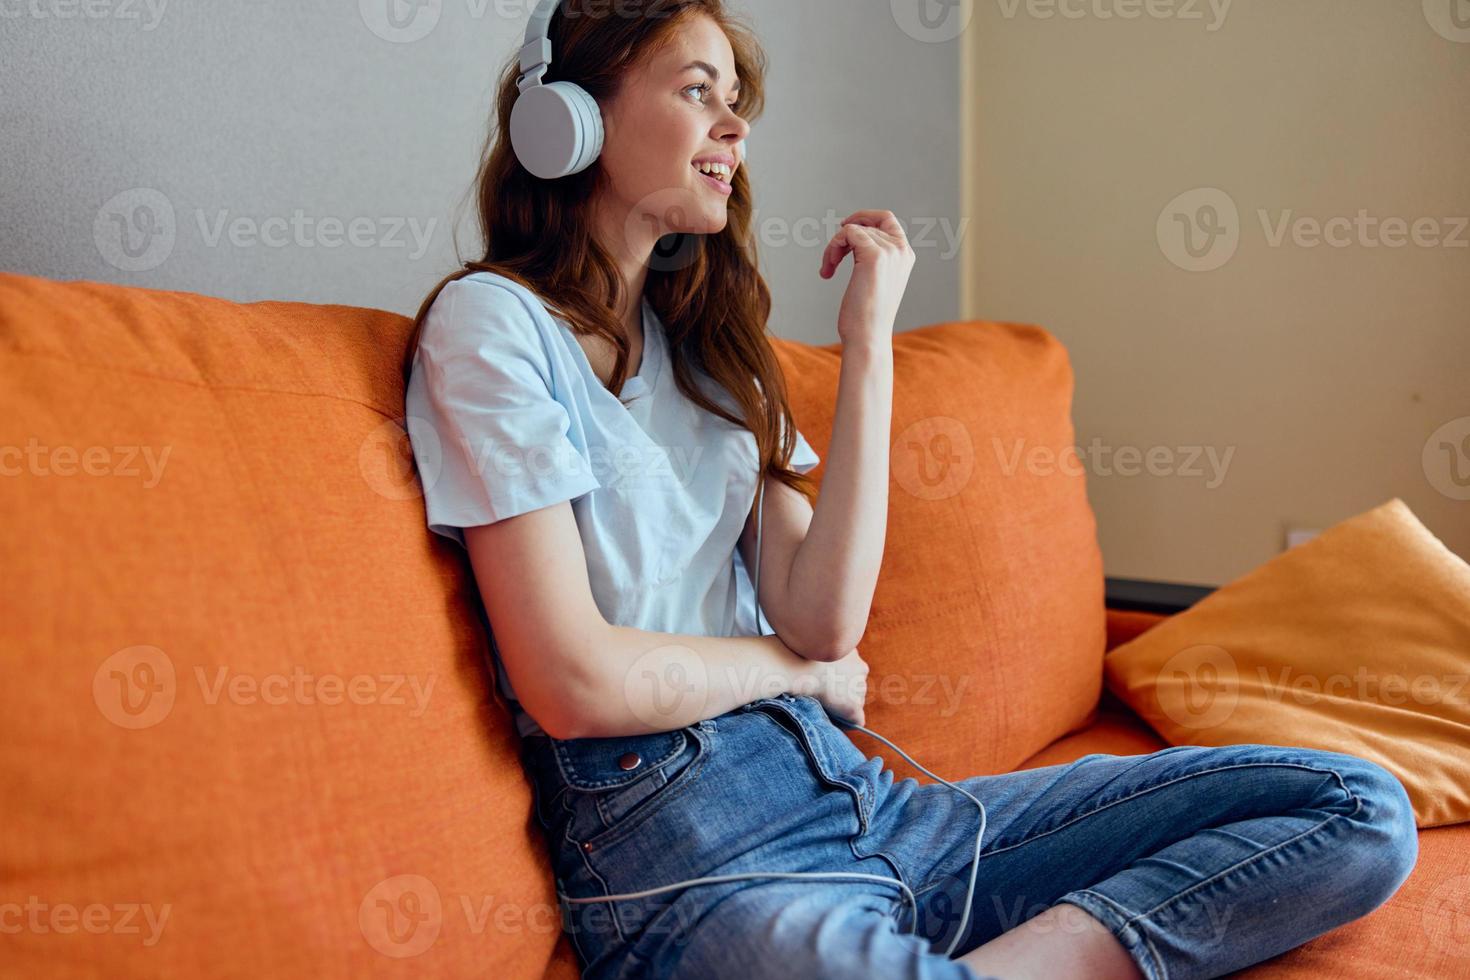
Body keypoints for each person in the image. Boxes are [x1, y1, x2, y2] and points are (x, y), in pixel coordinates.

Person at [401, 3, 1420, 977]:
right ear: (570, 116)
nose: (735, 123)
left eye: (738, 98)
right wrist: (795, 676)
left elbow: (824, 617)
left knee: (1359, 806)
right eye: (697, 88)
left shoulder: (710, 354)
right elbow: (574, 683)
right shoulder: (492, 327)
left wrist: (868, 345)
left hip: (877, 811)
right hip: (693, 854)